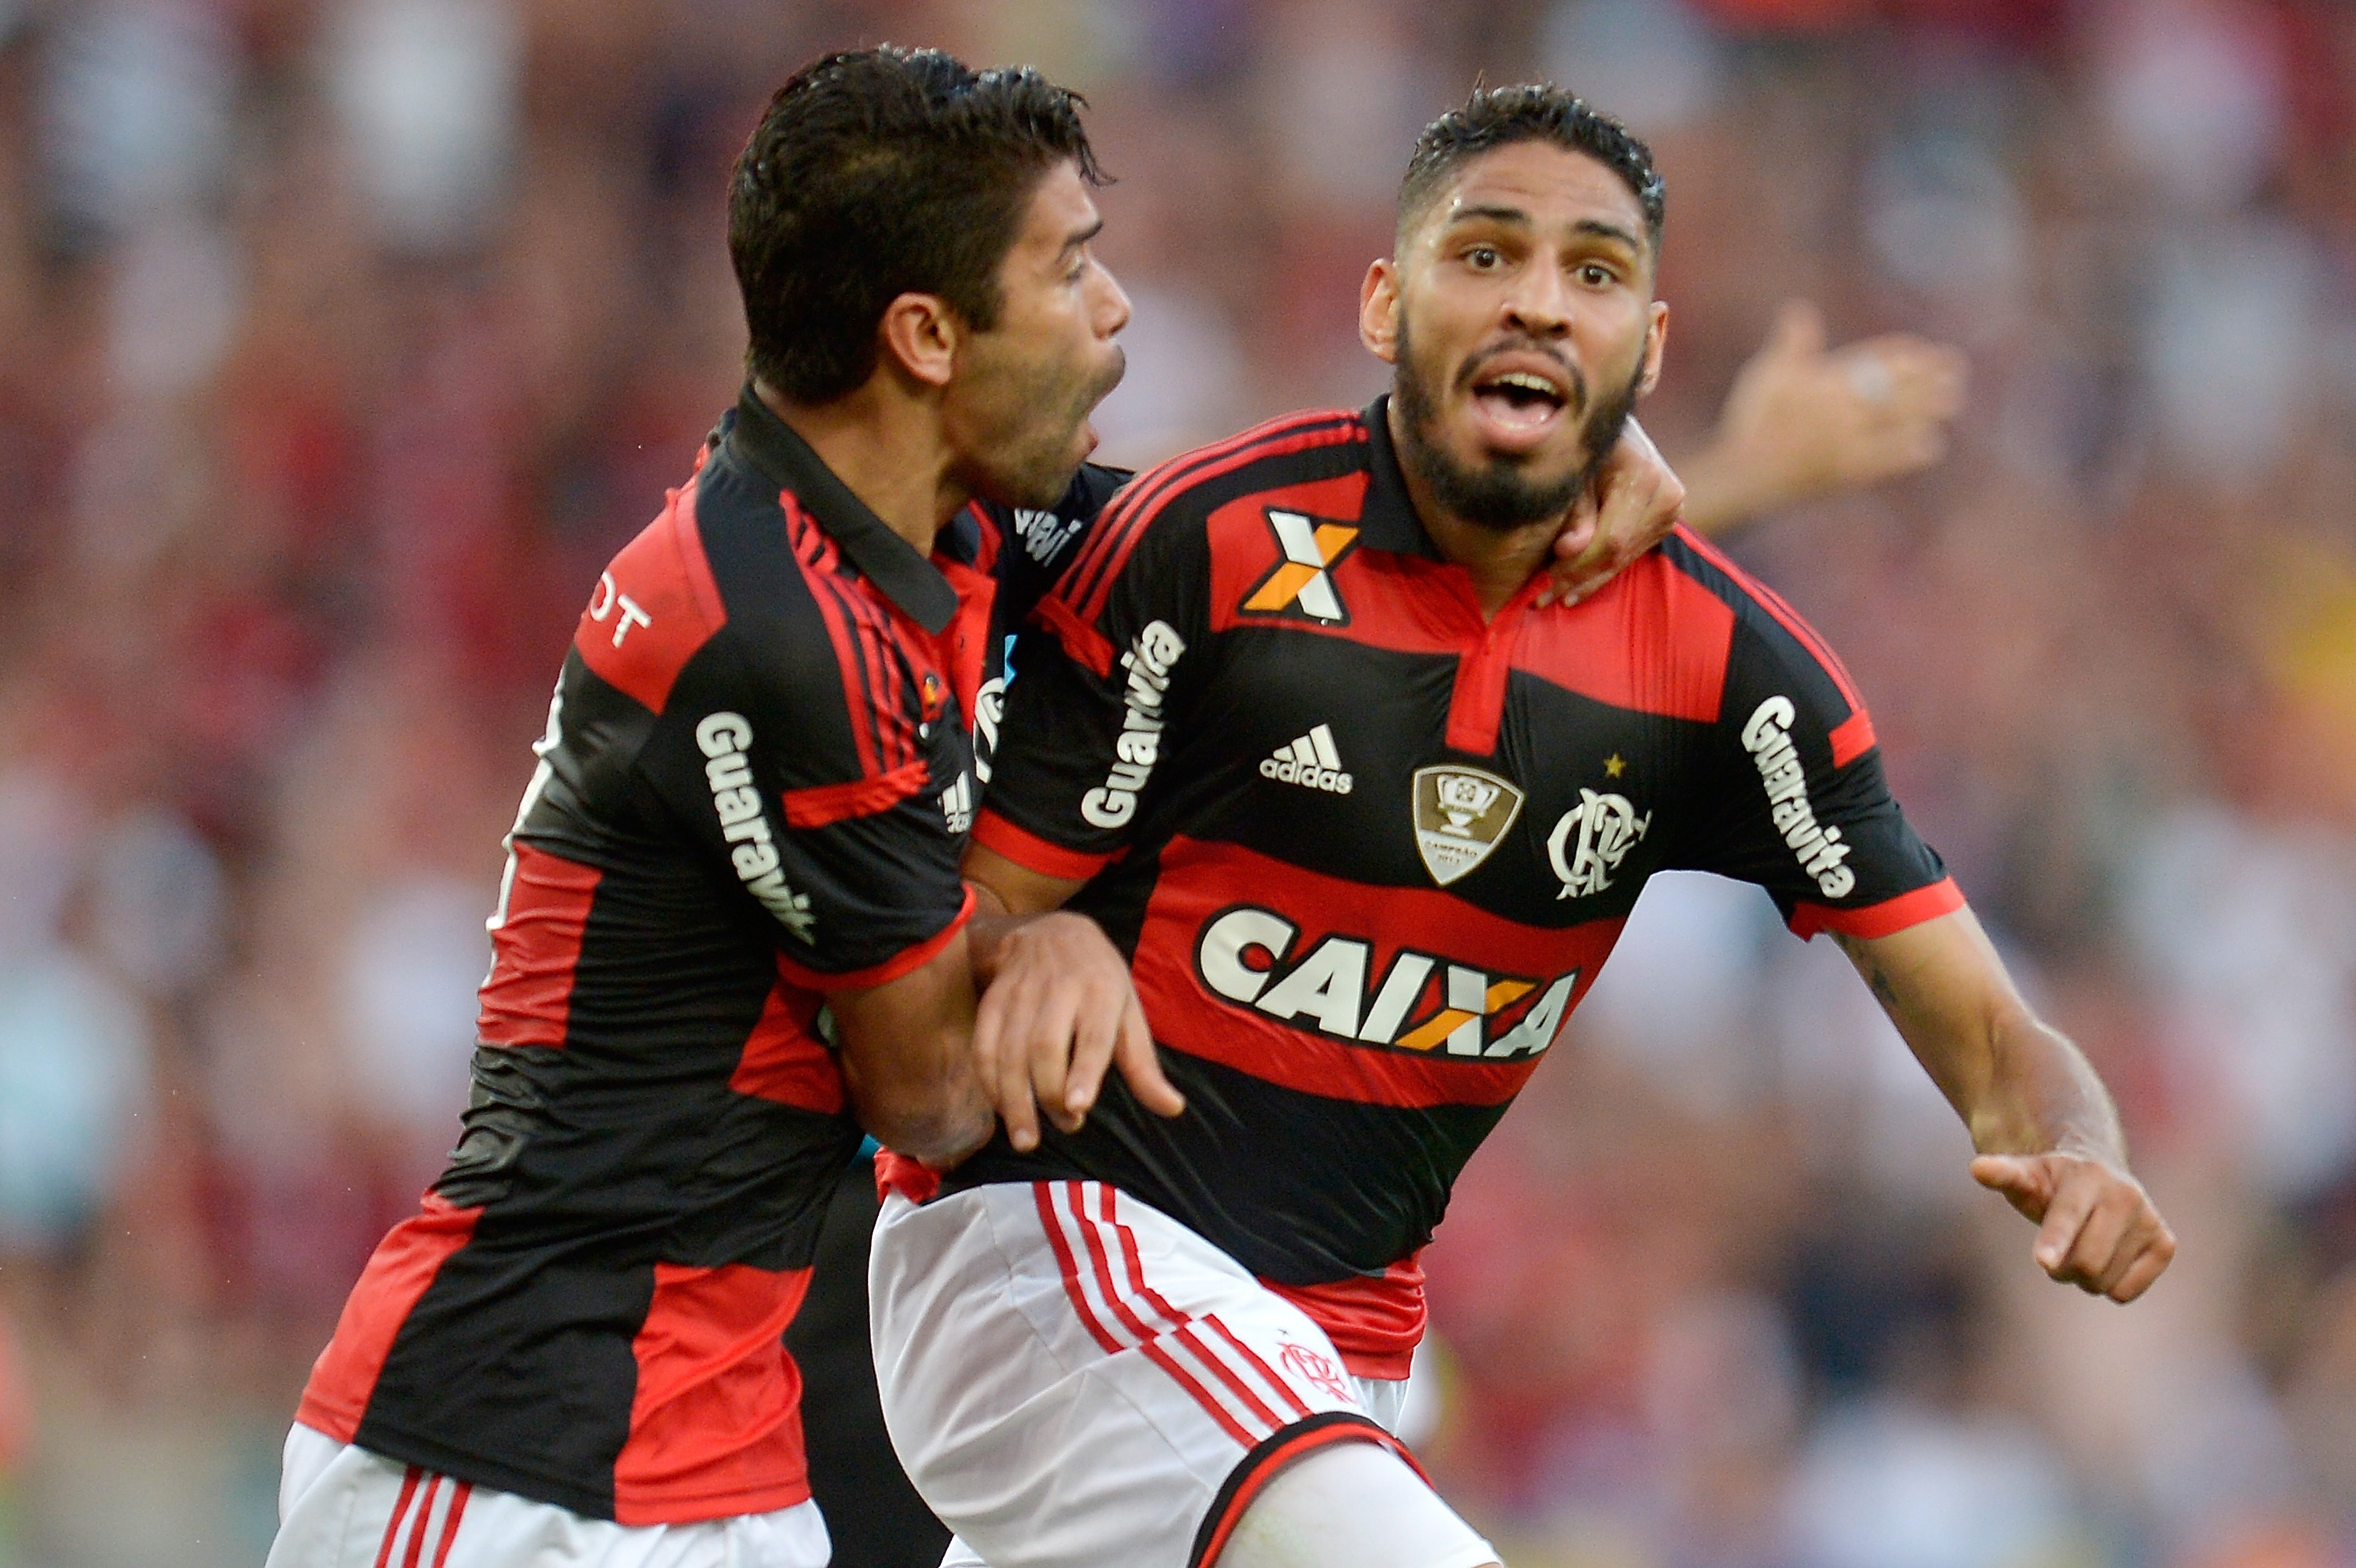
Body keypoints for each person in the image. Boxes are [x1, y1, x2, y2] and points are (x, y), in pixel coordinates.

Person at [866, 84, 2177, 1568]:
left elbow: (2004, 1051)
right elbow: (964, 923)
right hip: (1052, 1261)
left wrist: (2083, 1149)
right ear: (1385, 303)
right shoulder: (1204, 543)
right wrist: (1019, 950)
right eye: (1486, 254)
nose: (1540, 304)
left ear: (1653, 345)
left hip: (1336, 1364)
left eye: (1595, 273)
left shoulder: (1731, 678)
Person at [263, 48, 1168, 1568]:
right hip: (508, 1462)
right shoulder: (766, 622)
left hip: (727, 1467)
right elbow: (932, 1091)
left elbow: (1238, 559)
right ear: (928, 335)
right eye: (1069, 265)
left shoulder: (917, 530)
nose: (1114, 306)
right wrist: (1051, 943)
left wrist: (1559, 480)